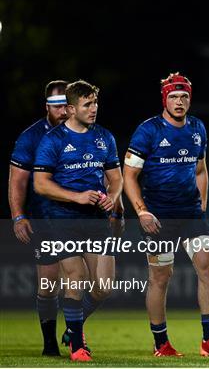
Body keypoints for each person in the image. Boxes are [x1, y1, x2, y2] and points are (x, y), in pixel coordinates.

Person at [123, 73, 209, 358]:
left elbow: (200, 170)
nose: (179, 101)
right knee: (161, 277)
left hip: (191, 214)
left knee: (208, 266)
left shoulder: (197, 128)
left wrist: (202, 206)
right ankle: (162, 344)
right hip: (158, 217)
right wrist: (141, 211)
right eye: (173, 96)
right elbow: (130, 175)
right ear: (164, 99)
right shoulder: (148, 131)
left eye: (184, 96)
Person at [33, 80, 123, 362]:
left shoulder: (105, 137)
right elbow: (40, 184)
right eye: (88, 104)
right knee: (76, 275)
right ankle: (77, 348)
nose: (94, 109)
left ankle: (73, 327)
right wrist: (76, 197)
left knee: (104, 287)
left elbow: (117, 178)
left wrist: (111, 197)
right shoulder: (53, 140)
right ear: (71, 109)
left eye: (95, 103)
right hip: (62, 219)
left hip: (96, 220)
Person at [9, 80, 69, 356]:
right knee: (49, 282)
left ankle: (75, 333)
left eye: (67, 105)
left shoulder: (88, 133)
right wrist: (19, 216)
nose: (63, 111)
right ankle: (49, 342)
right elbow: (18, 181)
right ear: (47, 106)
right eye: (57, 106)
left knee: (92, 282)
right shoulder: (31, 137)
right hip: (44, 217)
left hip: (80, 218)